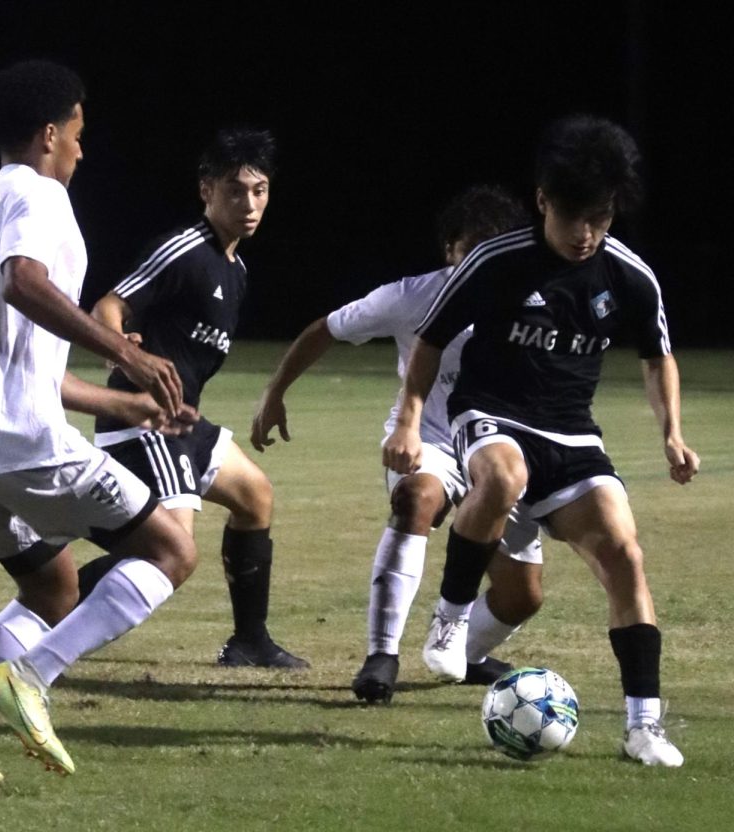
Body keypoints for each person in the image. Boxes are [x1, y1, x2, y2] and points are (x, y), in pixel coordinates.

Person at [0, 60, 196, 784]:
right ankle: (34, 676)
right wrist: (127, 350)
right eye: (79, 134)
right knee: (171, 551)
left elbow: (24, 360)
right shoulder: (41, 198)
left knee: (52, 589)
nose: (82, 151)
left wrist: (126, 403)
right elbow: (24, 284)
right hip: (14, 439)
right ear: (50, 133)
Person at [384, 115, 698, 767]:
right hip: (491, 412)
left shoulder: (630, 277)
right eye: (575, 217)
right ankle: (450, 619)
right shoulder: (498, 261)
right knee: (502, 477)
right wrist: (412, 419)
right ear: (543, 201)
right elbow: (433, 338)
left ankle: (644, 728)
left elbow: (657, 355)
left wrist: (672, 434)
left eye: (602, 219)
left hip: (573, 433)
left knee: (625, 556)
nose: (587, 234)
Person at [251, 185, 545, 703]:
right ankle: (381, 655)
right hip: (429, 438)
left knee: (522, 596)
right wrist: (275, 393)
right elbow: (326, 328)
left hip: (501, 453)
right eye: (467, 248)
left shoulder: (533, 303)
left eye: (491, 248)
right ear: (449, 250)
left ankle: (466, 653)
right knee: (417, 499)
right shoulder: (413, 295)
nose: (476, 262)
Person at [86, 128, 308, 669]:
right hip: (143, 422)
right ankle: (48, 599)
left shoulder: (236, 270)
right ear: (206, 190)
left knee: (255, 495)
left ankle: (249, 642)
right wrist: (122, 348)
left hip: (183, 423)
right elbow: (108, 306)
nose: (250, 204)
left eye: (259, 191)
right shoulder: (185, 249)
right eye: (235, 191)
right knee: (171, 550)